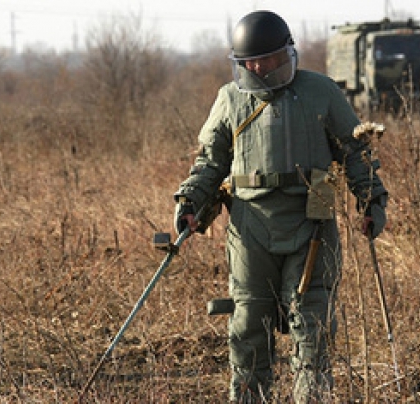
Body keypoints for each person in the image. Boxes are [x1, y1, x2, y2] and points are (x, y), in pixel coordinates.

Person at [173, 10, 388, 403]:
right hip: (249, 230)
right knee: (248, 327)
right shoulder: (230, 99)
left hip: (311, 228)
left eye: (267, 58)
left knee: (312, 328)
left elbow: (355, 150)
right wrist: (190, 201)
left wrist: (372, 200)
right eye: (249, 62)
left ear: (286, 54)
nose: (258, 67)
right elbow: (210, 161)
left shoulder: (321, 92)